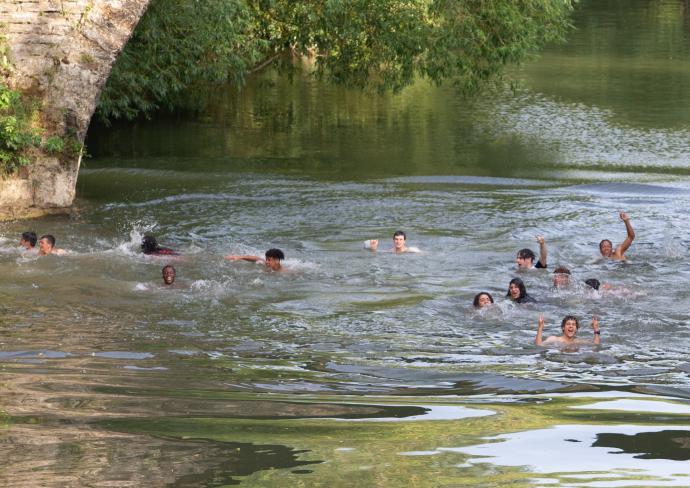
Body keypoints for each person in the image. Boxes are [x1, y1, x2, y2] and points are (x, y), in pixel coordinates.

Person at [535, 314, 600, 346]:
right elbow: (539, 345)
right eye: (568, 324)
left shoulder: (578, 341)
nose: (571, 326)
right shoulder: (554, 339)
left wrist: (596, 329)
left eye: (573, 325)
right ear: (563, 327)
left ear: (576, 329)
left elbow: (596, 345)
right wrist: (540, 327)